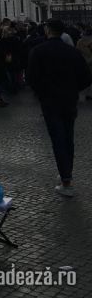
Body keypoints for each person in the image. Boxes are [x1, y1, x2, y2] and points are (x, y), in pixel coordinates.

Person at [26, 18, 92, 198]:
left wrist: (42, 93)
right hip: (69, 100)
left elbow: (31, 78)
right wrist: (72, 89)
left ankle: (66, 180)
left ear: (47, 30)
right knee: (68, 137)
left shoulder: (38, 51)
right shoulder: (72, 52)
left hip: (50, 102)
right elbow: (86, 77)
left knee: (58, 139)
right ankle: (66, 172)